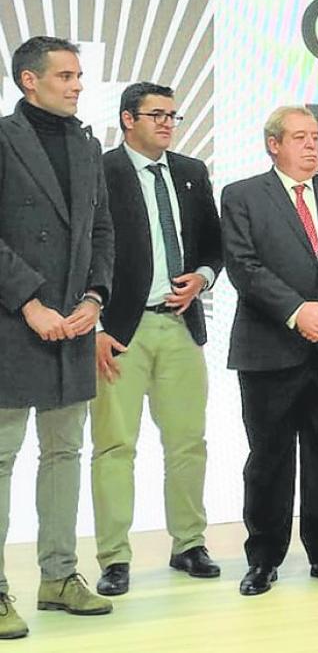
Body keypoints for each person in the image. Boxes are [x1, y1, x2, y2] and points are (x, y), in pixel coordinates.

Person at [221, 106, 318, 596]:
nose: (312, 146)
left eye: (315, 137)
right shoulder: (243, 195)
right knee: (269, 456)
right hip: (269, 348)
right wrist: (298, 312)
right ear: (273, 144)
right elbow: (244, 266)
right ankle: (263, 558)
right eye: (300, 137)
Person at [0, 36, 114, 636]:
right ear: (29, 80)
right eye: (65, 76)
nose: (76, 85)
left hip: (73, 323)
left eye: (78, 76)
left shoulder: (86, 143)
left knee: (65, 453)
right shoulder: (1, 137)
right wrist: (29, 302)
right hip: (11, 323)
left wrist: (94, 299)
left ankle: (59, 576)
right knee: (1, 458)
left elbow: (101, 229)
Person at [92, 82, 223, 597]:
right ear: (128, 120)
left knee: (188, 442)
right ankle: (114, 557)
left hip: (180, 325)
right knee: (114, 446)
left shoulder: (192, 172)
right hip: (119, 330)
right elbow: (86, 249)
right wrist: (96, 325)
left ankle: (189, 543)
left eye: (173, 115)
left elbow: (214, 245)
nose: (168, 124)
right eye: (156, 115)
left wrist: (205, 278)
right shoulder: (102, 171)